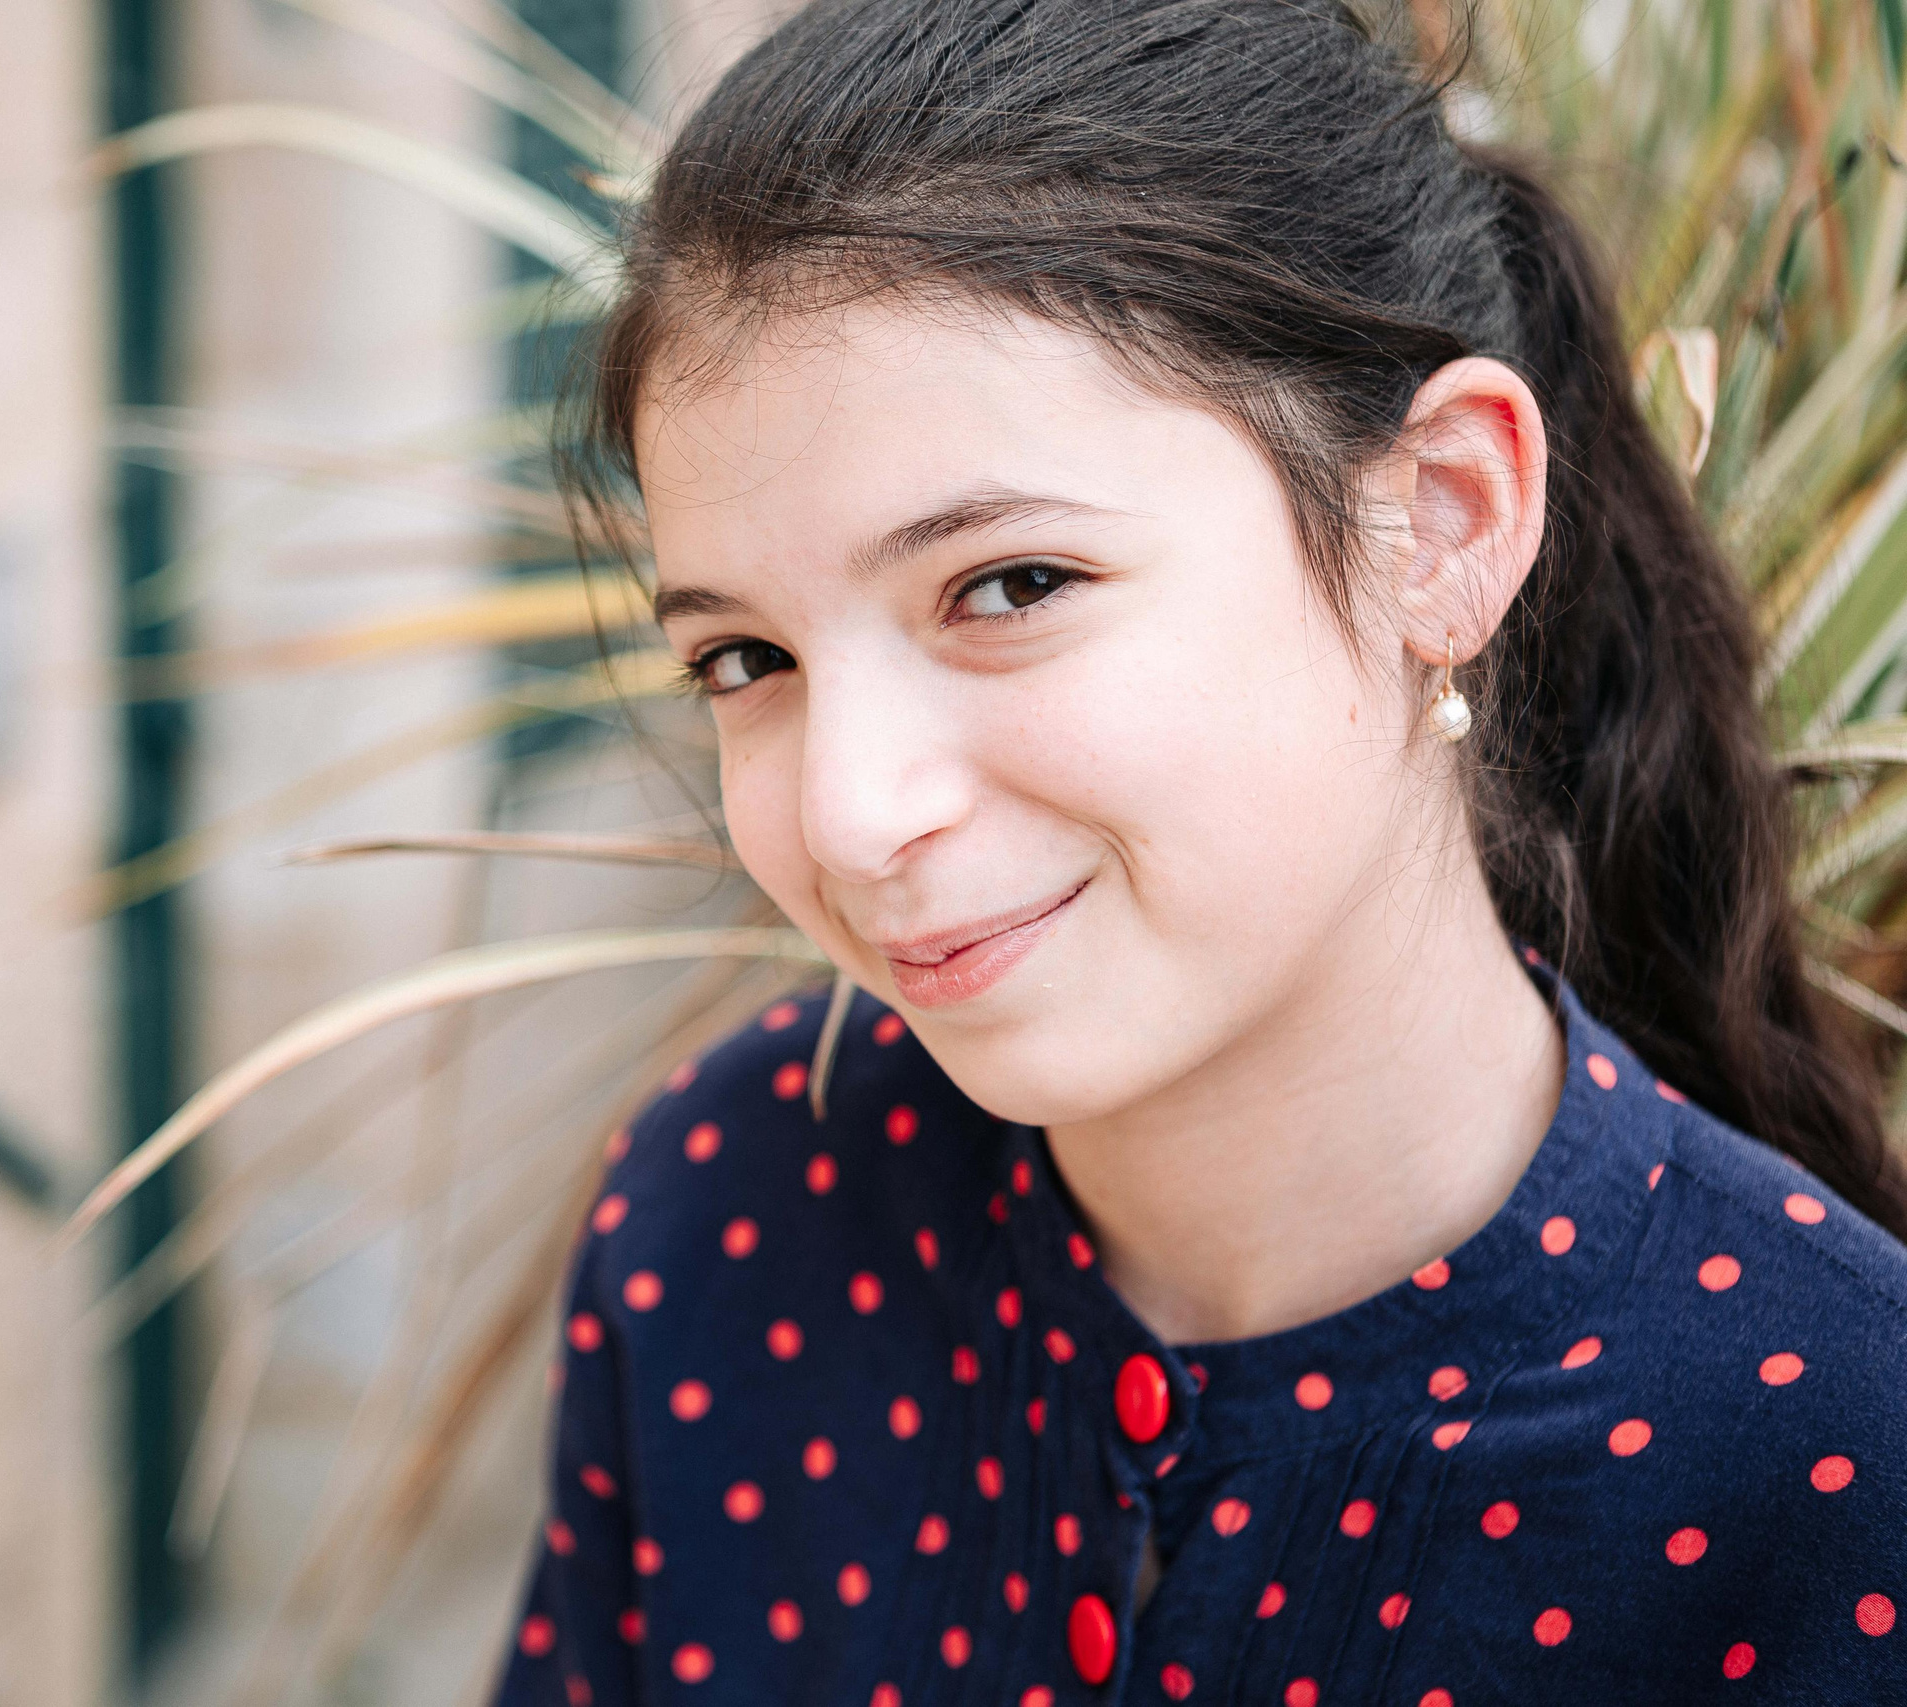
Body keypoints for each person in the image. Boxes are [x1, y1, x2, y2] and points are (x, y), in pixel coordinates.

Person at [488, 1, 1907, 1702]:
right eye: (748, 662)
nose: (851, 813)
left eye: (1010, 587)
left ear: (1440, 522)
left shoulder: (1834, 1450)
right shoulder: (727, 1218)